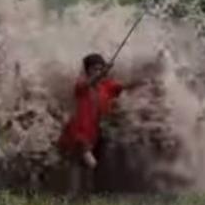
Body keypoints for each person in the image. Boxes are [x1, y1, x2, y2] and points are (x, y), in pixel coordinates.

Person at [57, 53, 144, 197]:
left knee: (79, 167)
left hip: (91, 135)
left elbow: (126, 86)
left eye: (100, 69)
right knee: (89, 165)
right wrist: (101, 74)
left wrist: (144, 78)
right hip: (77, 133)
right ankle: (79, 197)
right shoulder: (82, 86)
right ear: (88, 71)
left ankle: (76, 197)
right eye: (95, 69)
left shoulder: (107, 87)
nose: (98, 72)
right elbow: (88, 83)